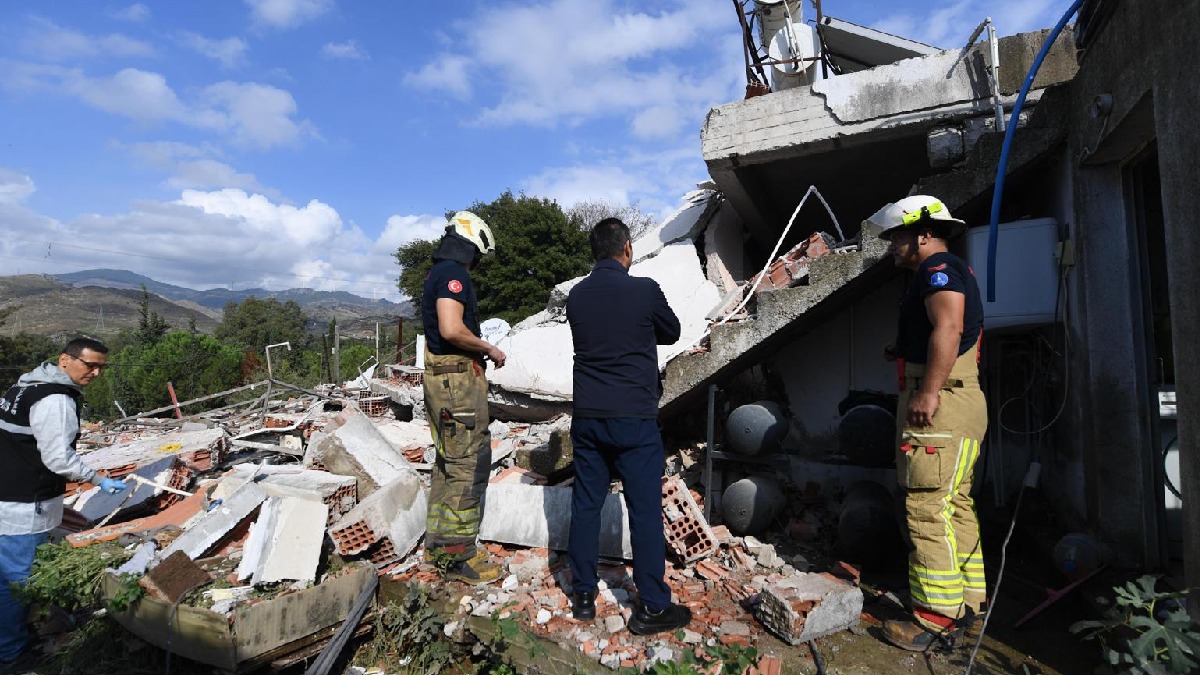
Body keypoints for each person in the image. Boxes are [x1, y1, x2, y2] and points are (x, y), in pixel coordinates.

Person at [863, 196, 987, 650]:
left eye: (896, 237)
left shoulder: (937, 270)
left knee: (925, 508)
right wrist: (905, 350)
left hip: (944, 405)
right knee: (955, 504)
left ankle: (935, 620)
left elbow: (950, 329)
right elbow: (954, 330)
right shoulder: (949, 270)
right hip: (961, 401)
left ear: (922, 234)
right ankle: (970, 606)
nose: (891, 246)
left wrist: (928, 390)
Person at [565, 218, 692, 636]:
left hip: (587, 418)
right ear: (628, 249)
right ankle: (653, 606)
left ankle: (583, 596)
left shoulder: (577, 297)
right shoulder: (644, 290)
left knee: (585, 504)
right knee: (643, 510)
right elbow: (671, 332)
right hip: (634, 419)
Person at [0, 338, 127, 668]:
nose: (96, 373)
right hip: (24, 505)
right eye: (90, 365)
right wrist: (98, 480)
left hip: (7, 495)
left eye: (102, 367)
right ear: (65, 360)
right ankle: (12, 655)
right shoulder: (55, 399)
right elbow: (59, 459)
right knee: (17, 582)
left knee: (5, 579)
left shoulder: (24, 387)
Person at [421, 211, 507, 584]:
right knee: (468, 465)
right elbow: (452, 328)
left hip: (442, 380)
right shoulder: (453, 275)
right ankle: (460, 558)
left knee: (448, 461)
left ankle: (440, 546)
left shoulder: (437, 273)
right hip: (456, 381)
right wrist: (488, 347)